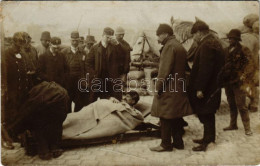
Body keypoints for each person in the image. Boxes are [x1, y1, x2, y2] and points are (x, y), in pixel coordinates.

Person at [149, 24, 193, 152]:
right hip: (179, 85)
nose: (158, 37)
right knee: (176, 114)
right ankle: (178, 143)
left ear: (166, 34)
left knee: (165, 115)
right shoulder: (178, 45)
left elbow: (164, 71)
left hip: (169, 87)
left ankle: (165, 144)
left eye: (159, 34)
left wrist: (158, 88)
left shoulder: (169, 47)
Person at [188, 20, 225, 151]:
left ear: (198, 32)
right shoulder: (213, 42)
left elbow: (205, 69)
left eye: (194, 35)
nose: (194, 38)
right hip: (213, 86)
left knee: (206, 113)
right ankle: (207, 138)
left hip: (207, 87)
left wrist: (200, 88)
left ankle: (208, 142)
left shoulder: (206, 45)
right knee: (208, 113)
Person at [62, 91, 143, 139]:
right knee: (76, 117)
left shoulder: (133, 111)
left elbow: (136, 116)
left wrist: (121, 105)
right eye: (125, 96)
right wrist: (112, 99)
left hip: (100, 115)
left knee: (78, 122)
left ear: (133, 101)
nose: (125, 98)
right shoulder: (121, 102)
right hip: (93, 109)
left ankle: (62, 130)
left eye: (128, 97)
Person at [2, 32, 35, 145]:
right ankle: (10, 136)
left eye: (22, 43)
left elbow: (29, 68)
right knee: (12, 113)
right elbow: (4, 74)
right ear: (13, 42)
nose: (20, 45)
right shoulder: (6, 54)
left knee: (22, 112)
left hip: (24, 89)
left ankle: (21, 135)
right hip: (12, 90)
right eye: (18, 43)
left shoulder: (23, 54)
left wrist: (29, 73)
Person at [219, 29, 254, 136]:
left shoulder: (244, 50)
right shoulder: (225, 50)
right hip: (228, 82)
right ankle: (233, 124)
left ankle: (247, 128)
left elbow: (250, 65)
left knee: (241, 105)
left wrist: (243, 76)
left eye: (232, 38)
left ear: (237, 39)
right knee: (231, 104)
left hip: (239, 83)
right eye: (229, 38)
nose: (230, 40)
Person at [86, 27, 124, 102]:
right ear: (103, 35)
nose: (109, 39)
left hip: (110, 80)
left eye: (110, 38)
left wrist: (117, 44)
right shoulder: (95, 48)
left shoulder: (114, 47)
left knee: (111, 101)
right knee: (92, 101)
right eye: (107, 37)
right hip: (97, 78)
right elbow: (88, 63)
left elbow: (122, 56)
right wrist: (93, 74)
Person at [61, 31, 89, 112]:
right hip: (68, 82)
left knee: (80, 103)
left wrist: (86, 80)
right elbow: (62, 68)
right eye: (73, 40)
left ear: (79, 40)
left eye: (76, 40)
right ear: (70, 40)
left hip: (80, 82)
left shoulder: (83, 53)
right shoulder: (64, 53)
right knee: (67, 102)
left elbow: (86, 68)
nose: (75, 42)